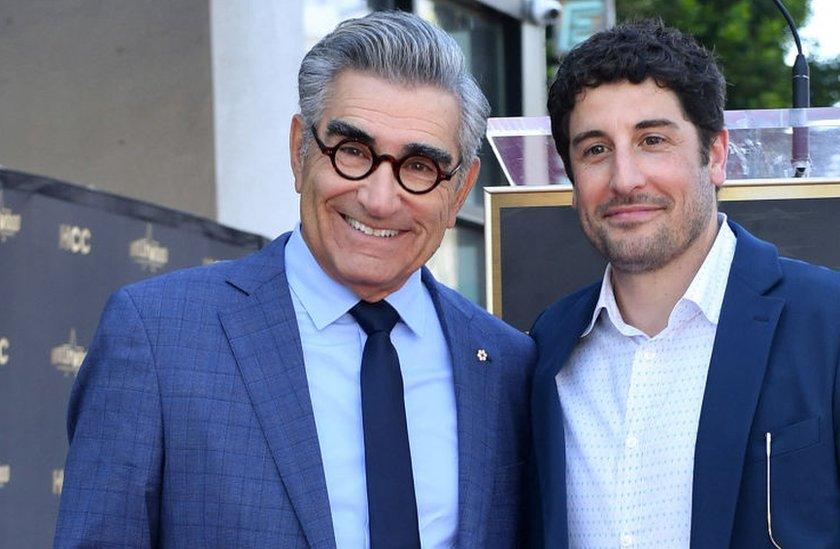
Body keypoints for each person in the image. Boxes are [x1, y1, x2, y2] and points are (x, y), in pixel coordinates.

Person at [54, 11, 534, 548]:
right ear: (299, 151)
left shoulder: (508, 366)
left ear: (460, 189)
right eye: (352, 151)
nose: (378, 199)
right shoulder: (159, 338)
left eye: (419, 166)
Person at [529, 19, 840, 548]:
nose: (625, 178)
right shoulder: (548, 348)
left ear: (715, 155)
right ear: (572, 179)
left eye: (652, 140)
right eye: (596, 150)